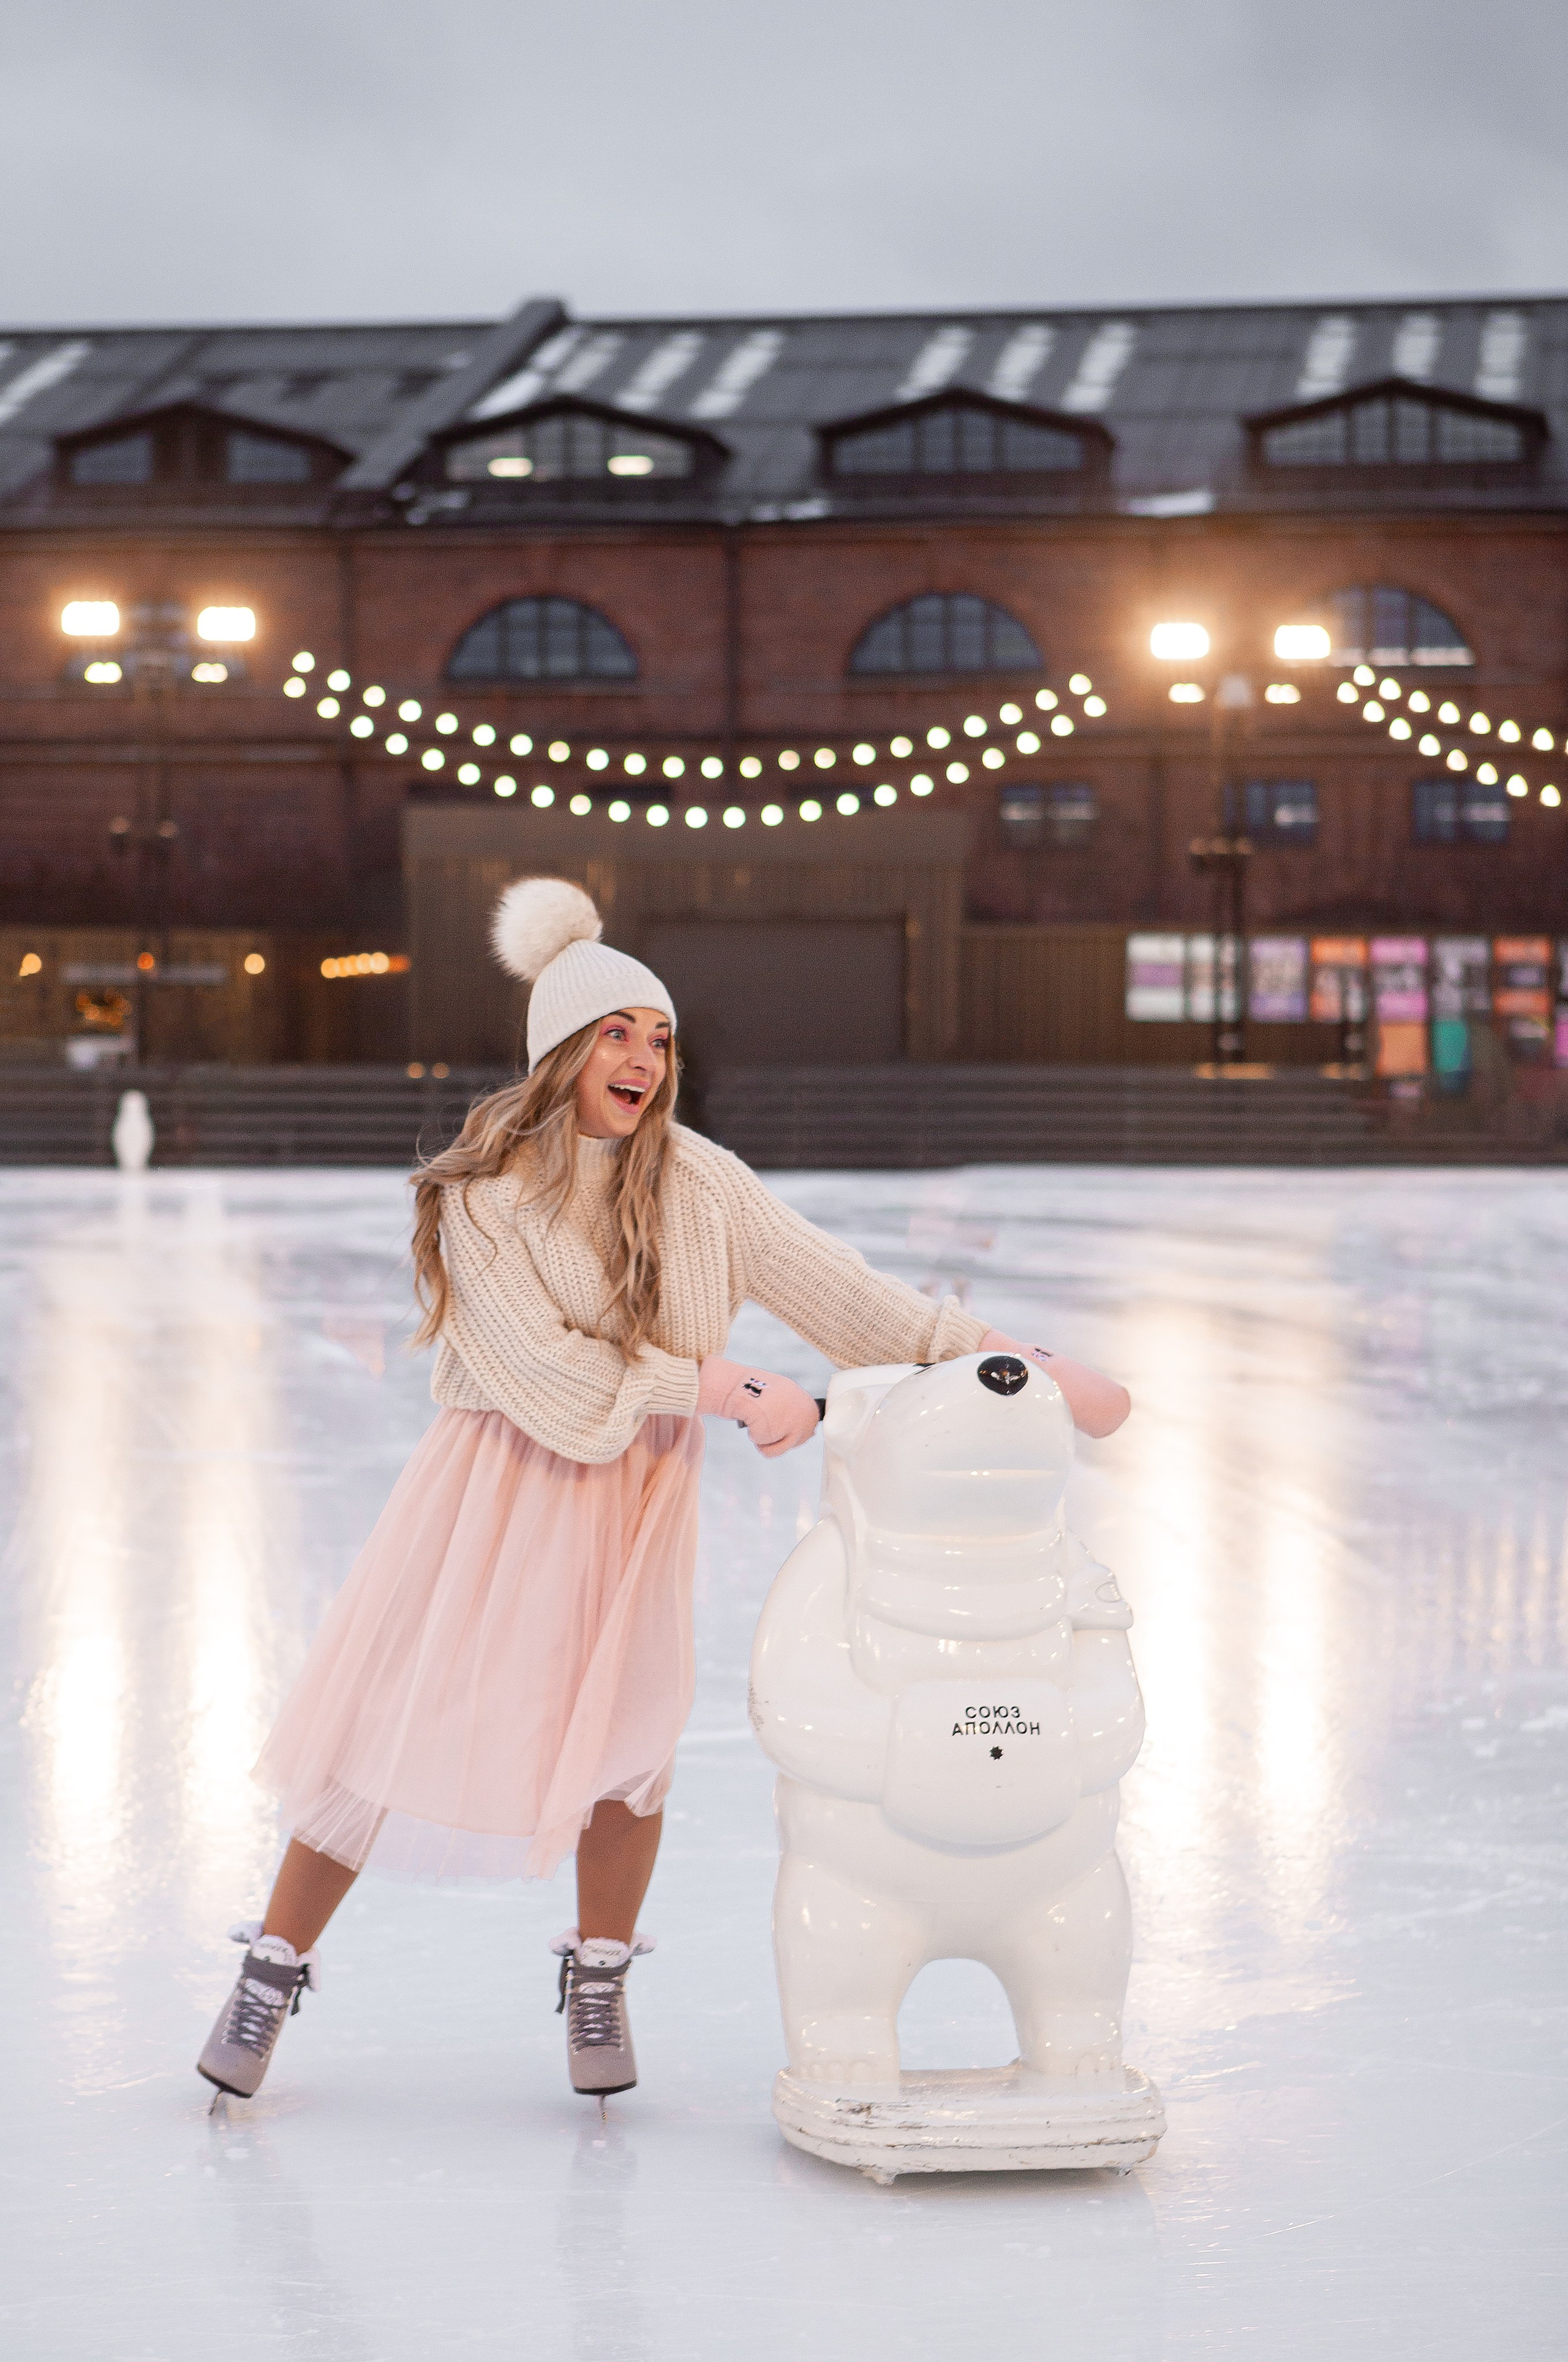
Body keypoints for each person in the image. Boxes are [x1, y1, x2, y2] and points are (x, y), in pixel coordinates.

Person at [197, 878, 1130, 2106]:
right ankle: (273, 1964)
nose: (641, 1056)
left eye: (659, 1036)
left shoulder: (699, 1183)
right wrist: (725, 1385)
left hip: (632, 1508)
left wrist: (1009, 1356)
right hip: (492, 1494)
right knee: (383, 1728)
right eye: (615, 1032)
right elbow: (541, 1369)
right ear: (561, 1051)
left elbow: (839, 1291)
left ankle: (598, 1975)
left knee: (628, 1750)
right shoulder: (484, 1198)